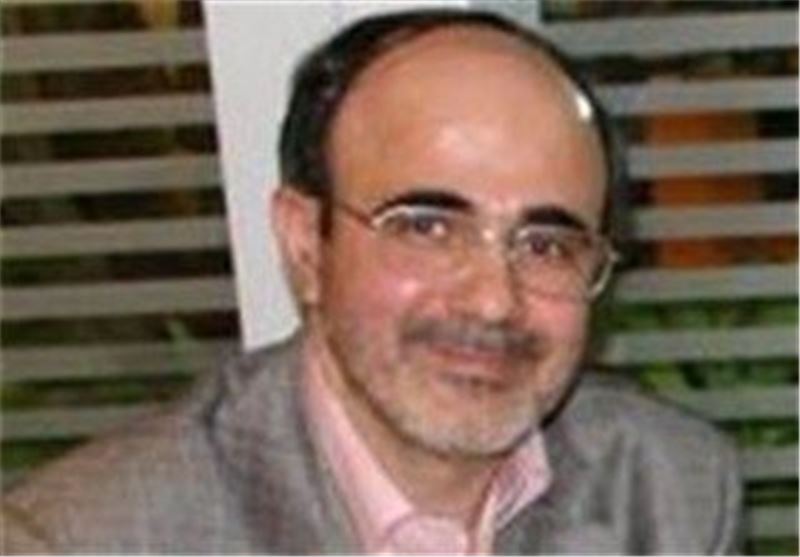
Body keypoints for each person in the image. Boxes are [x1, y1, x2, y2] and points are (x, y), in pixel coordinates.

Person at [2, 9, 741, 554]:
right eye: (427, 227)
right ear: (305, 244)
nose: (492, 299)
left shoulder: (671, 487)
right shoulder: (83, 539)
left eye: (546, 244)